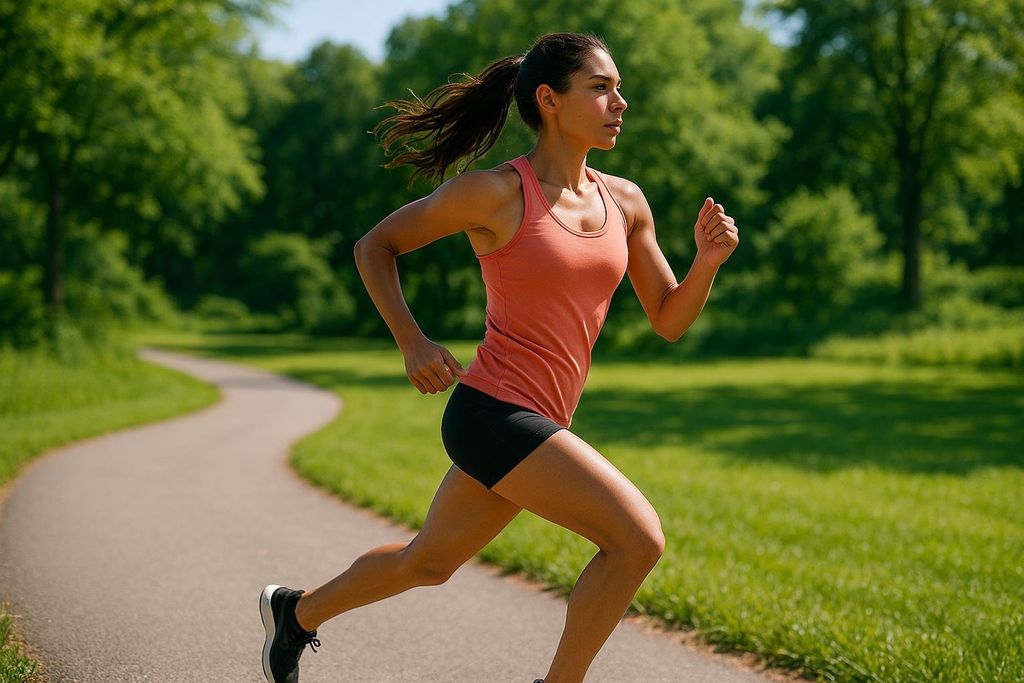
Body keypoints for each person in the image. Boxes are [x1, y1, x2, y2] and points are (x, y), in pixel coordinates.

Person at [260, 31, 739, 683]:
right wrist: (413, 341)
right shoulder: (496, 193)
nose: (620, 102)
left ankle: (295, 614)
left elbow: (669, 319)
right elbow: (376, 246)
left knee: (426, 562)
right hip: (493, 413)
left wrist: (706, 264)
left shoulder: (625, 202)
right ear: (549, 99)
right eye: (600, 88)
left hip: (543, 420)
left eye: (618, 87)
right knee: (636, 539)